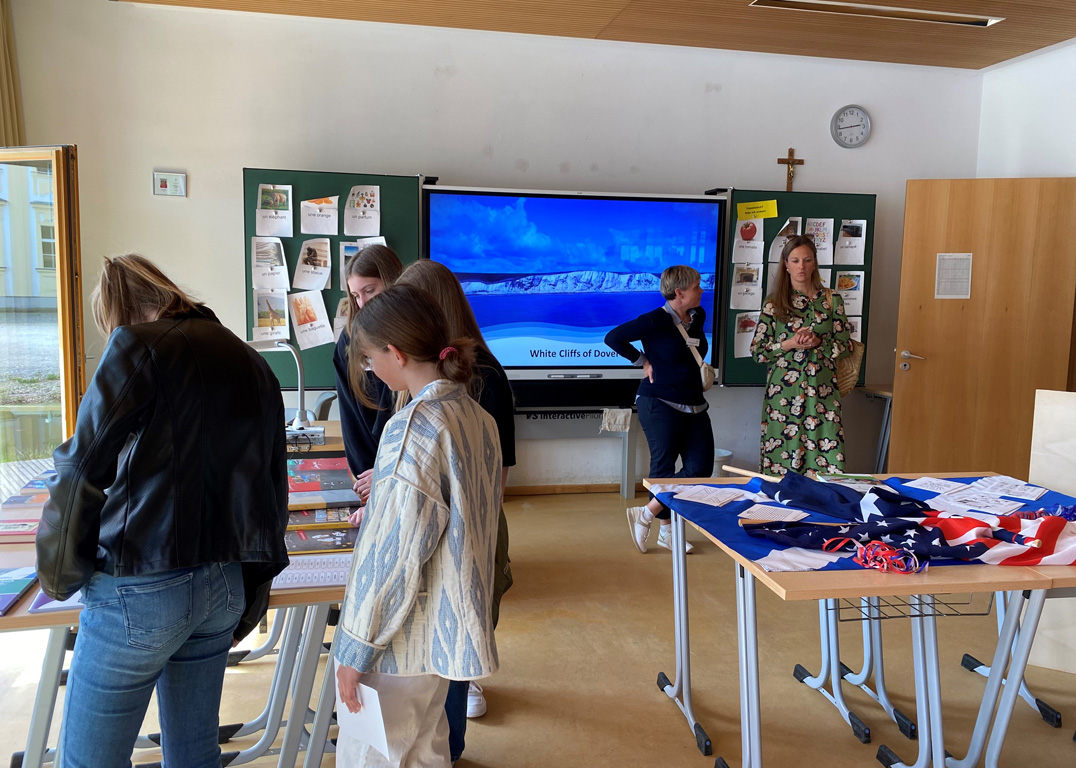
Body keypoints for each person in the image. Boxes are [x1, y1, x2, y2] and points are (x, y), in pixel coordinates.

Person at [36, 254, 289, 768]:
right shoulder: (250, 360)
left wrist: (60, 574)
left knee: (89, 761)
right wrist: (253, 594)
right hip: (224, 584)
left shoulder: (136, 346)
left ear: (119, 310)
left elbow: (80, 468)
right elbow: (270, 489)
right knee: (194, 754)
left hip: (141, 587)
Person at [334, 284, 501, 768]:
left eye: (370, 359)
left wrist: (355, 650)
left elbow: (393, 555)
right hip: (442, 633)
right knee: (427, 749)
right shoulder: (476, 417)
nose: (370, 369)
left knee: (374, 755)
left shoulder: (412, 428)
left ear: (397, 353)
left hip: (398, 640)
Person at [396, 260, 515, 755]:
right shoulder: (416, 372)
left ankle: (450, 744)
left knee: (457, 635)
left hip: (468, 531)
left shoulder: (485, 376)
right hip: (433, 527)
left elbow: (495, 478)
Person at [604, 265, 713, 554]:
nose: (701, 290)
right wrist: (643, 361)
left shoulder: (698, 315)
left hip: (694, 403)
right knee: (663, 468)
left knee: (700, 469)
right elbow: (613, 338)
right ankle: (667, 532)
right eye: (696, 286)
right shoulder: (654, 320)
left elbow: (693, 352)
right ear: (679, 292)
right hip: (658, 402)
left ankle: (646, 512)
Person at [750, 234, 852, 476]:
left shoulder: (832, 300)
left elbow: (845, 346)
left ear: (814, 263)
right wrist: (790, 343)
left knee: (828, 461)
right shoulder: (774, 303)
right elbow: (758, 352)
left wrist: (819, 343)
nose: (801, 267)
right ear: (786, 265)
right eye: (795, 261)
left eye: (807, 260)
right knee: (784, 463)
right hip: (784, 396)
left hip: (823, 393)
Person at [333, 244, 404, 525]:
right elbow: (351, 417)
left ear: (392, 281)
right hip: (373, 471)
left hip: (404, 469)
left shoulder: (413, 335)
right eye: (355, 295)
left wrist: (388, 469)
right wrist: (370, 479)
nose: (362, 303)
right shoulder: (349, 341)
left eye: (370, 290)